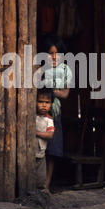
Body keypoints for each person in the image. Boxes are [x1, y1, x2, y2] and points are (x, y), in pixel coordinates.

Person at [39, 36, 72, 192]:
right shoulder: (40, 69)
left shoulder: (66, 71)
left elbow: (65, 94)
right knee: (39, 147)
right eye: (50, 53)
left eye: (57, 53)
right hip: (38, 112)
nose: (53, 57)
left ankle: (46, 184)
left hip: (54, 114)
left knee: (51, 149)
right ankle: (37, 183)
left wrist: (51, 92)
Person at [35, 87, 55, 192]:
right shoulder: (30, 116)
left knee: (40, 178)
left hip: (40, 154)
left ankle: (41, 195)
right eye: (40, 101)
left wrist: (35, 133)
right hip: (27, 153)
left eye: (47, 102)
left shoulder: (49, 119)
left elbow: (50, 135)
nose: (44, 105)